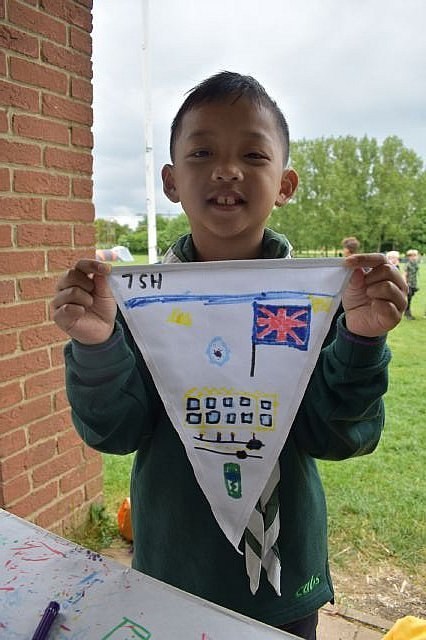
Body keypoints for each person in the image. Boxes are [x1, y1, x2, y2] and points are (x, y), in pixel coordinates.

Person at [52, 72, 407, 640]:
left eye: (253, 154)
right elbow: (114, 433)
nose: (226, 169)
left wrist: (361, 341)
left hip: (284, 578)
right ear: (171, 180)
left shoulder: (319, 304)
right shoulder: (139, 306)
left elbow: (339, 437)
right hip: (173, 569)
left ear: (285, 184)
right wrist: (97, 345)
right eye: (202, 152)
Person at [404, 249, 419, 319]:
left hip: (414, 284)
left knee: (410, 298)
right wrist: (405, 284)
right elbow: (404, 274)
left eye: (415, 255)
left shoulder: (415, 264)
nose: (413, 257)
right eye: (411, 256)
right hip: (409, 284)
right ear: (409, 257)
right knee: (408, 299)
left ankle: (406, 312)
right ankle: (408, 314)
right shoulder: (408, 265)